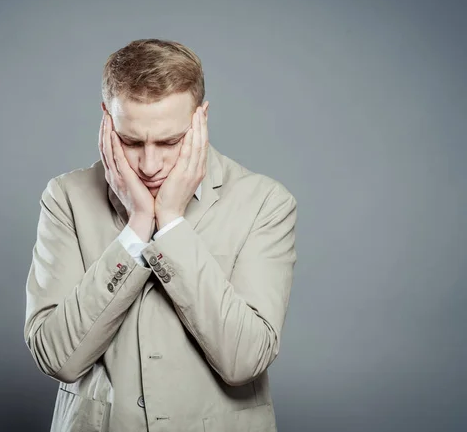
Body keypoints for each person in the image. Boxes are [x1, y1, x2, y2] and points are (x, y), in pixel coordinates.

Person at [24, 38, 298, 432]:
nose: (149, 165)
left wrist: (169, 223)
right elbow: (58, 358)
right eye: (131, 141)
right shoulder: (66, 198)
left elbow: (245, 360)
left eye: (170, 141)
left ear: (201, 119)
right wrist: (136, 229)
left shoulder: (265, 203)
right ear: (107, 119)